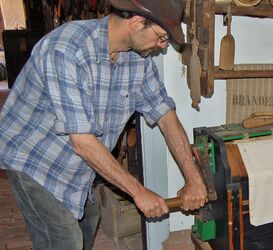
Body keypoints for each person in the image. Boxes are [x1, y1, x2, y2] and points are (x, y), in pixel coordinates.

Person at [0, 0, 207, 249]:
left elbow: (166, 116)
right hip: (33, 158)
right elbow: (83, 142)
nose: (163, 46)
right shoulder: (66, 49)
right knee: (65, 240)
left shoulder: (139, 61)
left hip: (76, 163)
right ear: (136, 23)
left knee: (88, 224)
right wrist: (139, 192)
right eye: (161, 37)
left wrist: (193, 178)